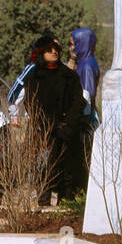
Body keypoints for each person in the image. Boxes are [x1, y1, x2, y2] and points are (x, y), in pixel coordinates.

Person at [24, 32, 86, 200]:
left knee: (68, 169)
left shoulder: (69, 75)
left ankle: (66, 202)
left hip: (67, 130)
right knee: (45, 166)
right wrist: (48, 124)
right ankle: (44, 201)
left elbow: (78, 101)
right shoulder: (33, 77)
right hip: (44, 131)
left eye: (56, 49)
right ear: (41, 54)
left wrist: (68, 124)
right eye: (49, 50)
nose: (54, 52)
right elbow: (30, 103)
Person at [71, 26, 101, 110]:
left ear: (83, 44)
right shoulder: (86, 61)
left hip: (85, 116)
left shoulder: (86, 66)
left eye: (74, 44)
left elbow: (87, 97)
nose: (72, 48)